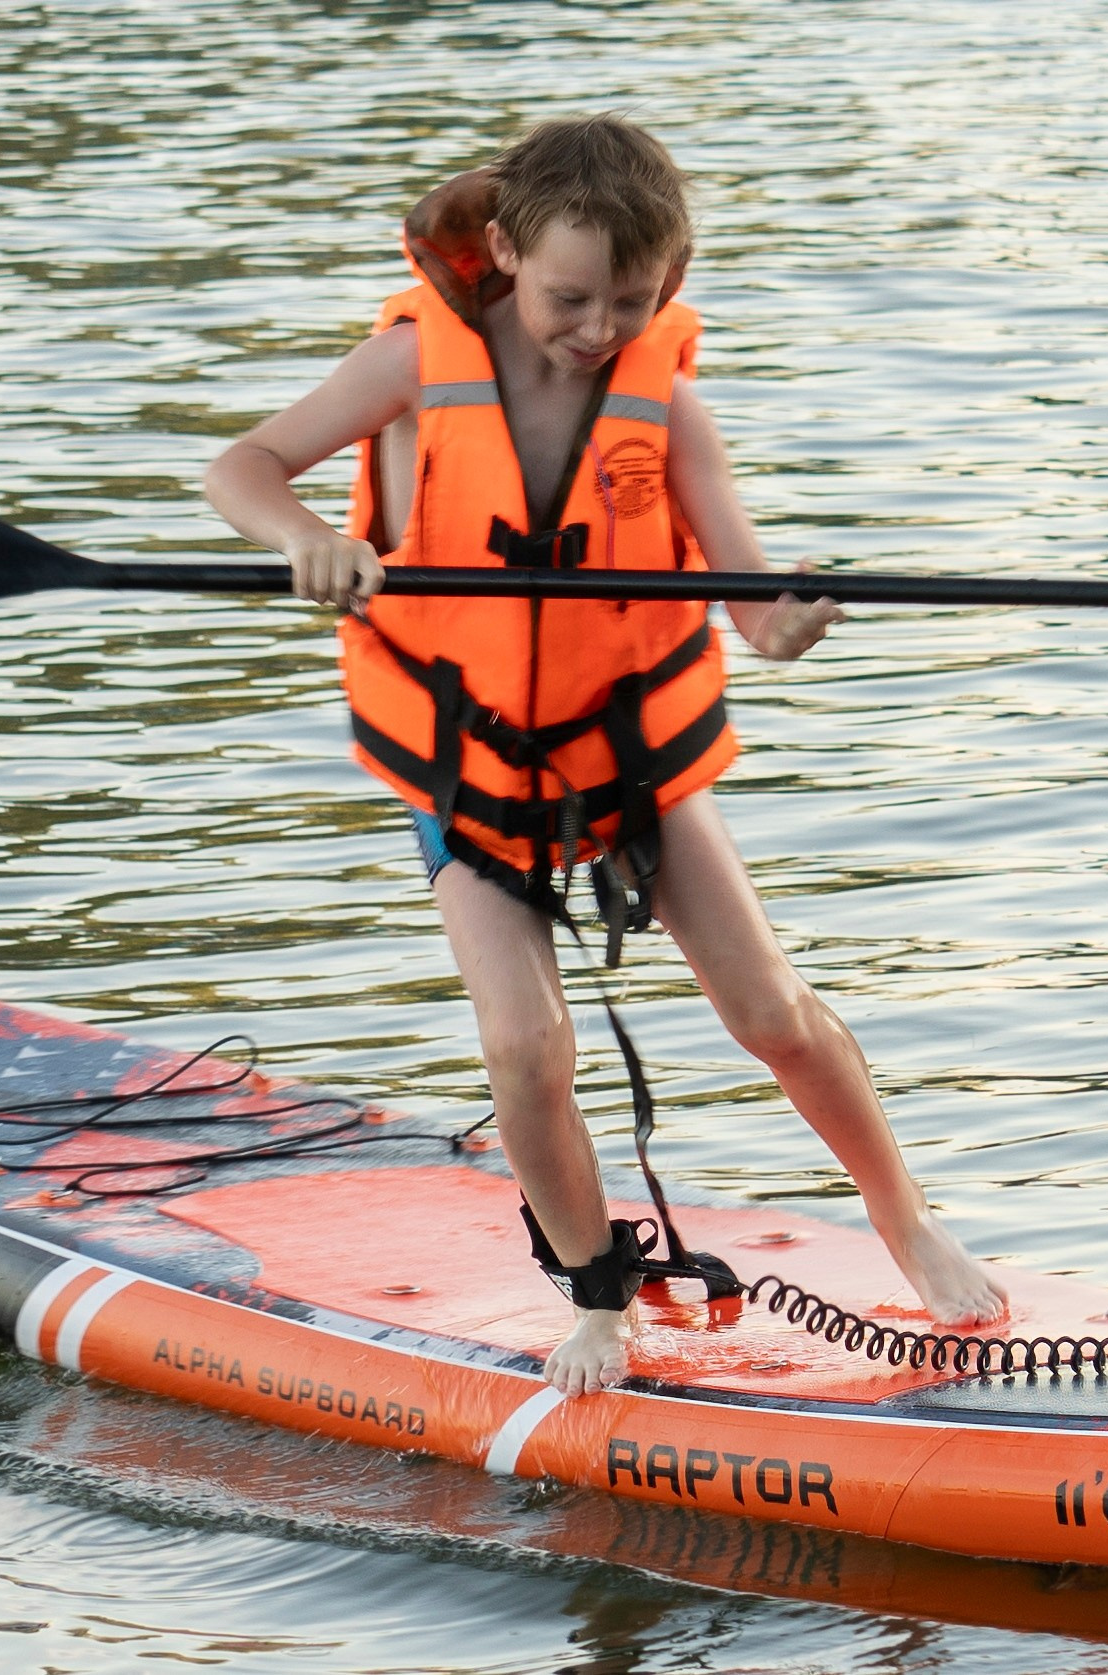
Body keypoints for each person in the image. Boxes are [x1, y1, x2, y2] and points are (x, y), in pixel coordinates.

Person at [204, 114, 1006, 1395]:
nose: (596, 328)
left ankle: (904, 1215)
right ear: (508, 254)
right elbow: (241, 468)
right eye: (571, 297)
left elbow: (749, 602)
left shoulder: (664, 402)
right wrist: (307, 534)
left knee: (769, 1012)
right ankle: (597, 1293)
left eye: (632, 301)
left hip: (625, 750)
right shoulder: (411, 363)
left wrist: (785, 622)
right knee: (526, 1048)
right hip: (467, 763)